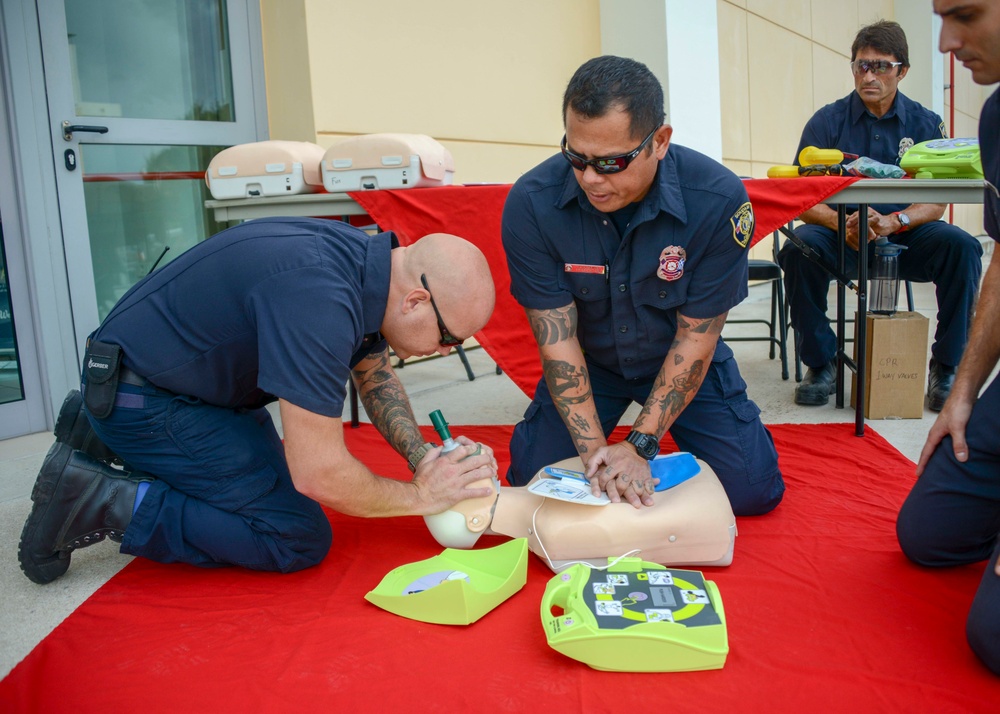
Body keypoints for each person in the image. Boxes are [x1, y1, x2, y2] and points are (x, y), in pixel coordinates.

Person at [18, 216, 499, 585]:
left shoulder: (364, 263)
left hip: (171, 381)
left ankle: (95, 430)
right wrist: (421, 497)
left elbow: (372, 370)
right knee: (294, 535)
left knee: (273, 488)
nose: (444, 351)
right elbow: (319, 473)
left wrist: (421, 457)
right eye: (450, 339)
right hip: (145, 397)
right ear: (415, 301)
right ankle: (98, 497)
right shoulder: (321, 299)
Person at [501, 55, 784, 516]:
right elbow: (559, 342)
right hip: (592, 363)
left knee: (752, 492)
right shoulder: (533, 203)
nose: (591, 178)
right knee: (532, 483)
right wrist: (600, 460)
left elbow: (696, 337)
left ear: (660, 141)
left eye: (611, 162)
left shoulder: (716, 199)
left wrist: (639, 445)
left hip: (678, 354)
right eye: (576, 156)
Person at [778, 20, 983, 410]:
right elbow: (801, 198)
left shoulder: (926, 124)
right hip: (842, 234)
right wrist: (843, 223)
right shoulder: (826, 122)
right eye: (861, 66)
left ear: (902, 71)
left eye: (881, 66)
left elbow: (937, 200)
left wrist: (896, 221)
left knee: (962, 247)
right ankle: (822, 363)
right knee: (798, 249)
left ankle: (946, 365)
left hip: (906, 236)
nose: (868, 75)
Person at [897, 0, 1000, 677]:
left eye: (965, 14)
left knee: (991, 642)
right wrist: (962, 393)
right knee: (926, 538)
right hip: (860, 236)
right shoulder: (997, 116)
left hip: (910, 230)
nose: (947, 41)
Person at [424, 455, 737, 572]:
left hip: (694, 489)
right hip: (703, 506)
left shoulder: (543, 475)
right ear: (474, 521)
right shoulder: (550, 534)